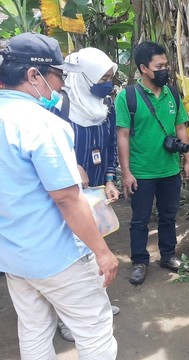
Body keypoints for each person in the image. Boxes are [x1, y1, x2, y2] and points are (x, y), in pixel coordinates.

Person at [0, 33, 118, 359]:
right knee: (94, 331)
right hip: (57, 255)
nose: (62, 84)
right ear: (34, 75)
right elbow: (67, 198)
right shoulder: (41, 124)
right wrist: (102, 252)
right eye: (59, 74)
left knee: (34, 330)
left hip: (12, 254)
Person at [54, 47, 122, 342]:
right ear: (86, 77)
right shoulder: (59, 106)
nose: (107, 82)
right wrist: (71, 167)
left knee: (95, 245)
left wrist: (109, 179)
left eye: (110, 76)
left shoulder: (106, 105)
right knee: (69, 252)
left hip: (94, 188)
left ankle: (97, 300)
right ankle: (66, 319)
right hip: (67, 191)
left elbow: (109, 147)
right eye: (103, 76)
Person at [115, 41, 189, 285]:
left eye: (166, 65)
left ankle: (168, 256)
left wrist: (188, 160)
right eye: (159, 66)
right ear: (143, 68)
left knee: (168, 216)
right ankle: (140, 261)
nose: (165, 70)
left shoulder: (172, 93)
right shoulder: (127, 97)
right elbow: (123, 136)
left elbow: (180, 126)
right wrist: (126, 173)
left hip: (169, 169)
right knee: (140, 220)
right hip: (142, 172)